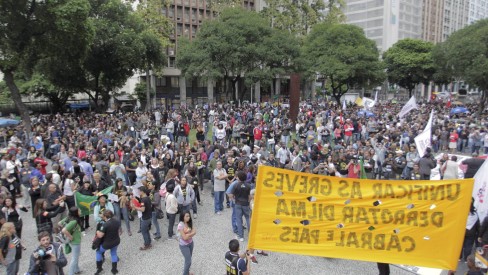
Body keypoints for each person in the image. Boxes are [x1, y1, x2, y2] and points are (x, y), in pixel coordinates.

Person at [95, 210, 121, 275]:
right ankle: (114, 270)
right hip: (116, 241)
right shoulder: (117, 221)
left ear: (105, 217)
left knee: (98, 252)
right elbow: (120, 232)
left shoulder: (105, 224)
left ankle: (99, 268)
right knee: (113, 254)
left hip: (107, 243)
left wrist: (97, 231)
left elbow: (100, 235)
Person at [60, 207, 82, 275]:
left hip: (71, 241)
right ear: (76, 212)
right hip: (75, 241)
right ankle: (71, 273)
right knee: (74, 258)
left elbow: (59, 223)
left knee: (76, 256)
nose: (80, 211)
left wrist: (67, 229)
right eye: (79, 210)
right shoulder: (74, 221)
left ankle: (76, 269)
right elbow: (64, 230)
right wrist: (70, 236)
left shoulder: (68, 218)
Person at [131, 186, 153, 250]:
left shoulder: (143, 200)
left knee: (144, 231)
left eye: (139, 191)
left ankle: (146, 244)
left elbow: (143, 209)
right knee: (146, 230)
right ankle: (149, 242)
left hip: (145, 218)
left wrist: (135, 207)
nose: (138, 192)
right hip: (149, 216)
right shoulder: (147, 198)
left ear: (142, 191)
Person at [232, 171, 251, 242]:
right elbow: (250, 196)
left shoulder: (236, 185)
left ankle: (241, 236)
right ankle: (250, 234)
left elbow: (232, 195)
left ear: (239, 177)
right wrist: (249, 202)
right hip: (245, 204)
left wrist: (234, 199)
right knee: (248, 218)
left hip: (238, 204)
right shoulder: (248, 185)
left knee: (239, 219)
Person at [178, 210, 196, 275]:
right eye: (187, 216)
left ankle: (187, 272)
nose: (188, 217)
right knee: (188, 261)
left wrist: (188, 235)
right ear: (183, 217)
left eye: (189, 216)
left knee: (188, 260)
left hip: (191, 243)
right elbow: (184, 238)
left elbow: (194, 231)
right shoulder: (180, 225)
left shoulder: (189, 222)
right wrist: (190, 234)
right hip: (184, 246)